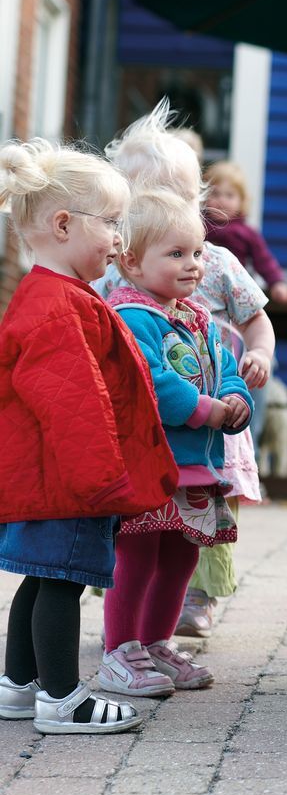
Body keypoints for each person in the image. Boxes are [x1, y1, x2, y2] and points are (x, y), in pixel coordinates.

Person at [0, 139, 177, 734]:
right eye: (111, 223)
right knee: (62, 583)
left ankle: (18, 686)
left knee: (42, 576)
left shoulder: (53, 297)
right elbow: (73, 403)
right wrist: (102, 480)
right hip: (69, 480)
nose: (120, 239)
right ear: (62, 224)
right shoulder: (59, 306)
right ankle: (62, 699)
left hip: (50, 477)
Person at [97, 102, 274, 637]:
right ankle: (130, 631)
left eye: (174, 197)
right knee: (141, 536)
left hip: (214, 418)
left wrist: (257, 357)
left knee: (200, 521)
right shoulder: (116, 272)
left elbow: (250, 323)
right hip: (152, 426)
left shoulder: (214, 262)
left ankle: (192, 602)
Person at [99, 189, 253, 695]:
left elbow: (225, 367)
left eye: (197, 253)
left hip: (194, 463)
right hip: (151, 462)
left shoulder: (196, 318)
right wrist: (209, 410)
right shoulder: (131, 318)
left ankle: (156, 641)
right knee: (138, 555)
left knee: (182, 557)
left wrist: (236, 402)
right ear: (132, 262)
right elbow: (156, 384)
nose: (193, 265)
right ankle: (120, 652)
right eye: (176, 254)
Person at [203, 160, 287, 305]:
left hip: (234, 294)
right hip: (201, 291)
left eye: (229, 195)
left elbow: (264, 260)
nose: (221, 200)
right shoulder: (198, 228)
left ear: (242, 200)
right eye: (215, 194)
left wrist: (277, 282)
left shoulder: (246, 233)